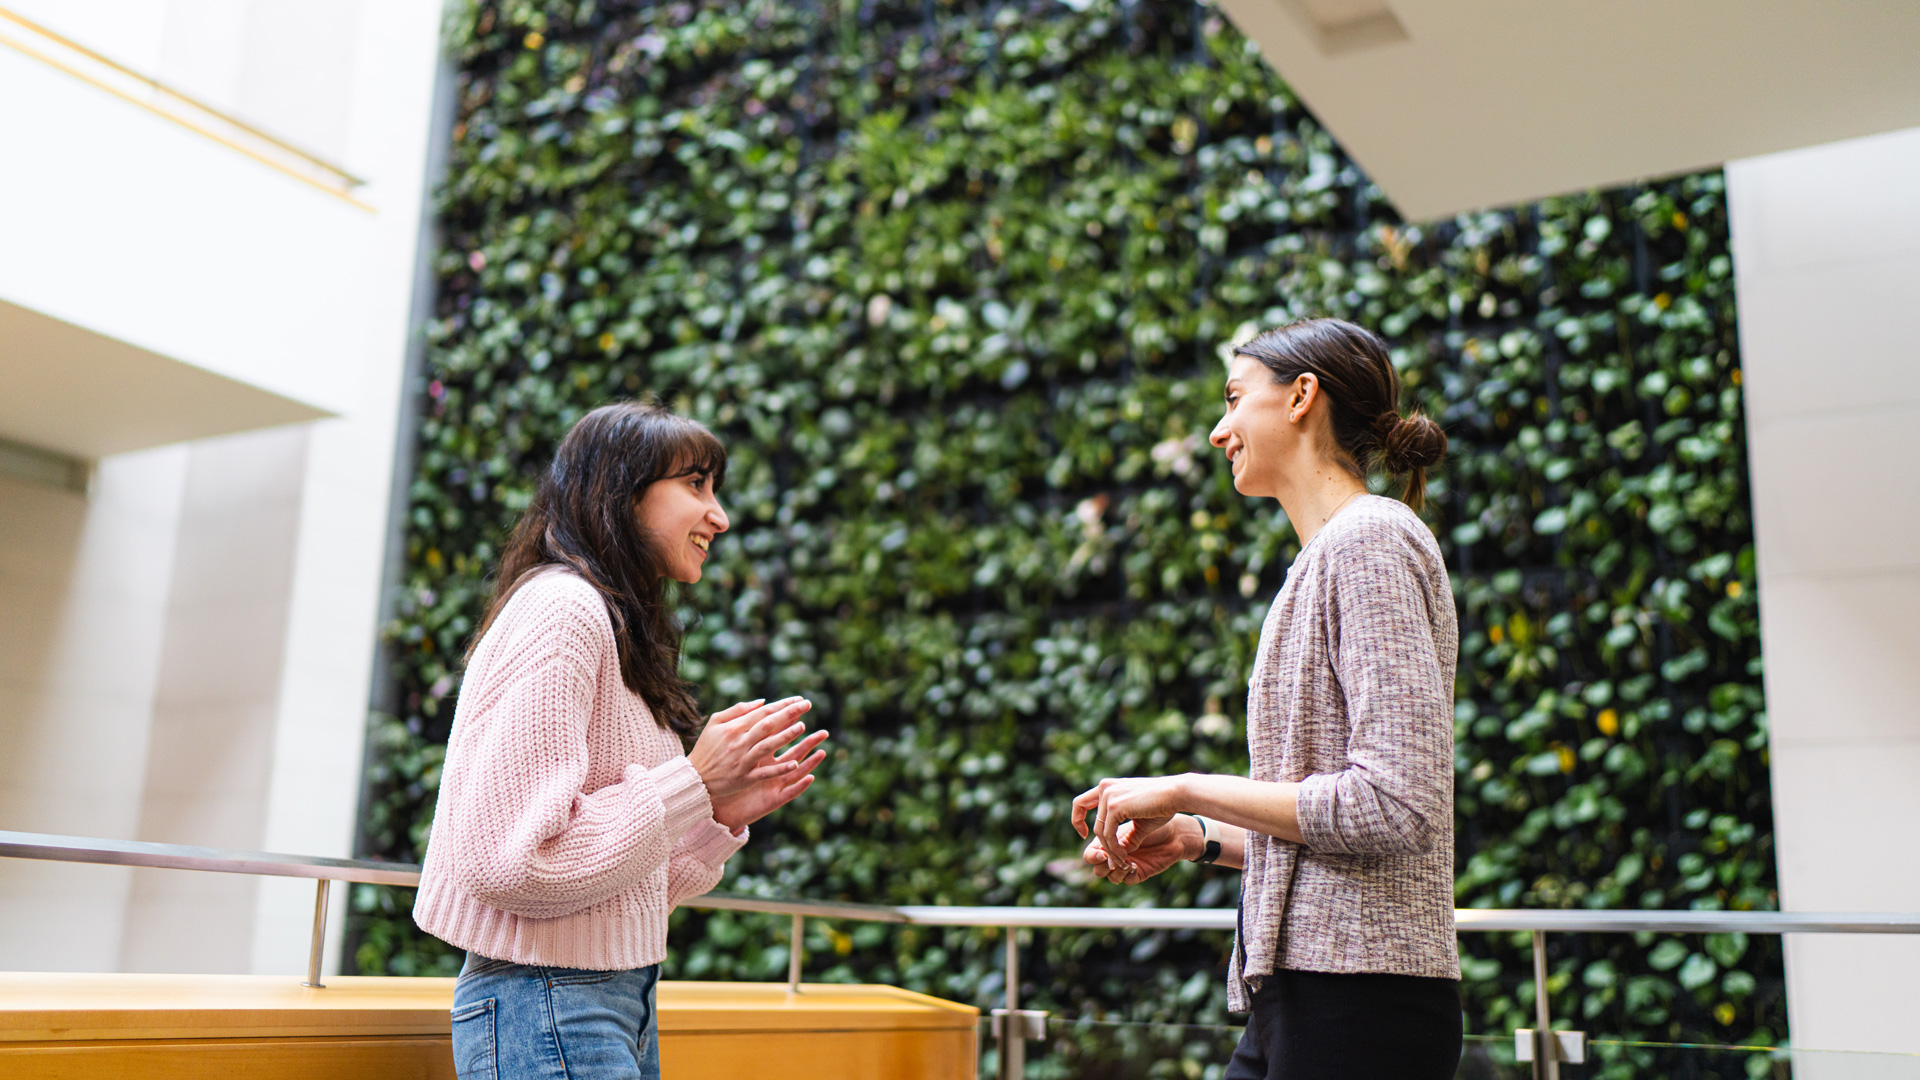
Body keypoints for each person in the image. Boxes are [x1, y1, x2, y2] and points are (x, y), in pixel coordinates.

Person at [1071, 317, 1460, 1079]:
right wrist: (1196, 837)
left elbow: (1396, 805)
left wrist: (1186, 785)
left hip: (1362, 1003)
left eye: (1234, 397)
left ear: (1300, 397)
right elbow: (1340, 827)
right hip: (1316, 995)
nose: (1220, 430)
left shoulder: (1370, 541)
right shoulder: (1326, 557)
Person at [414, 402, 829, 1080]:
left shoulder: (609, 621)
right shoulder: (563, 610)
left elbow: (608, 885)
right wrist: (690, 784)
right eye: (696, 486)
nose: (718, 516)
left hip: (599, 1000)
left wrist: (714, 814)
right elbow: (512, 862)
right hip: (547, 1001)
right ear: (622, 495)